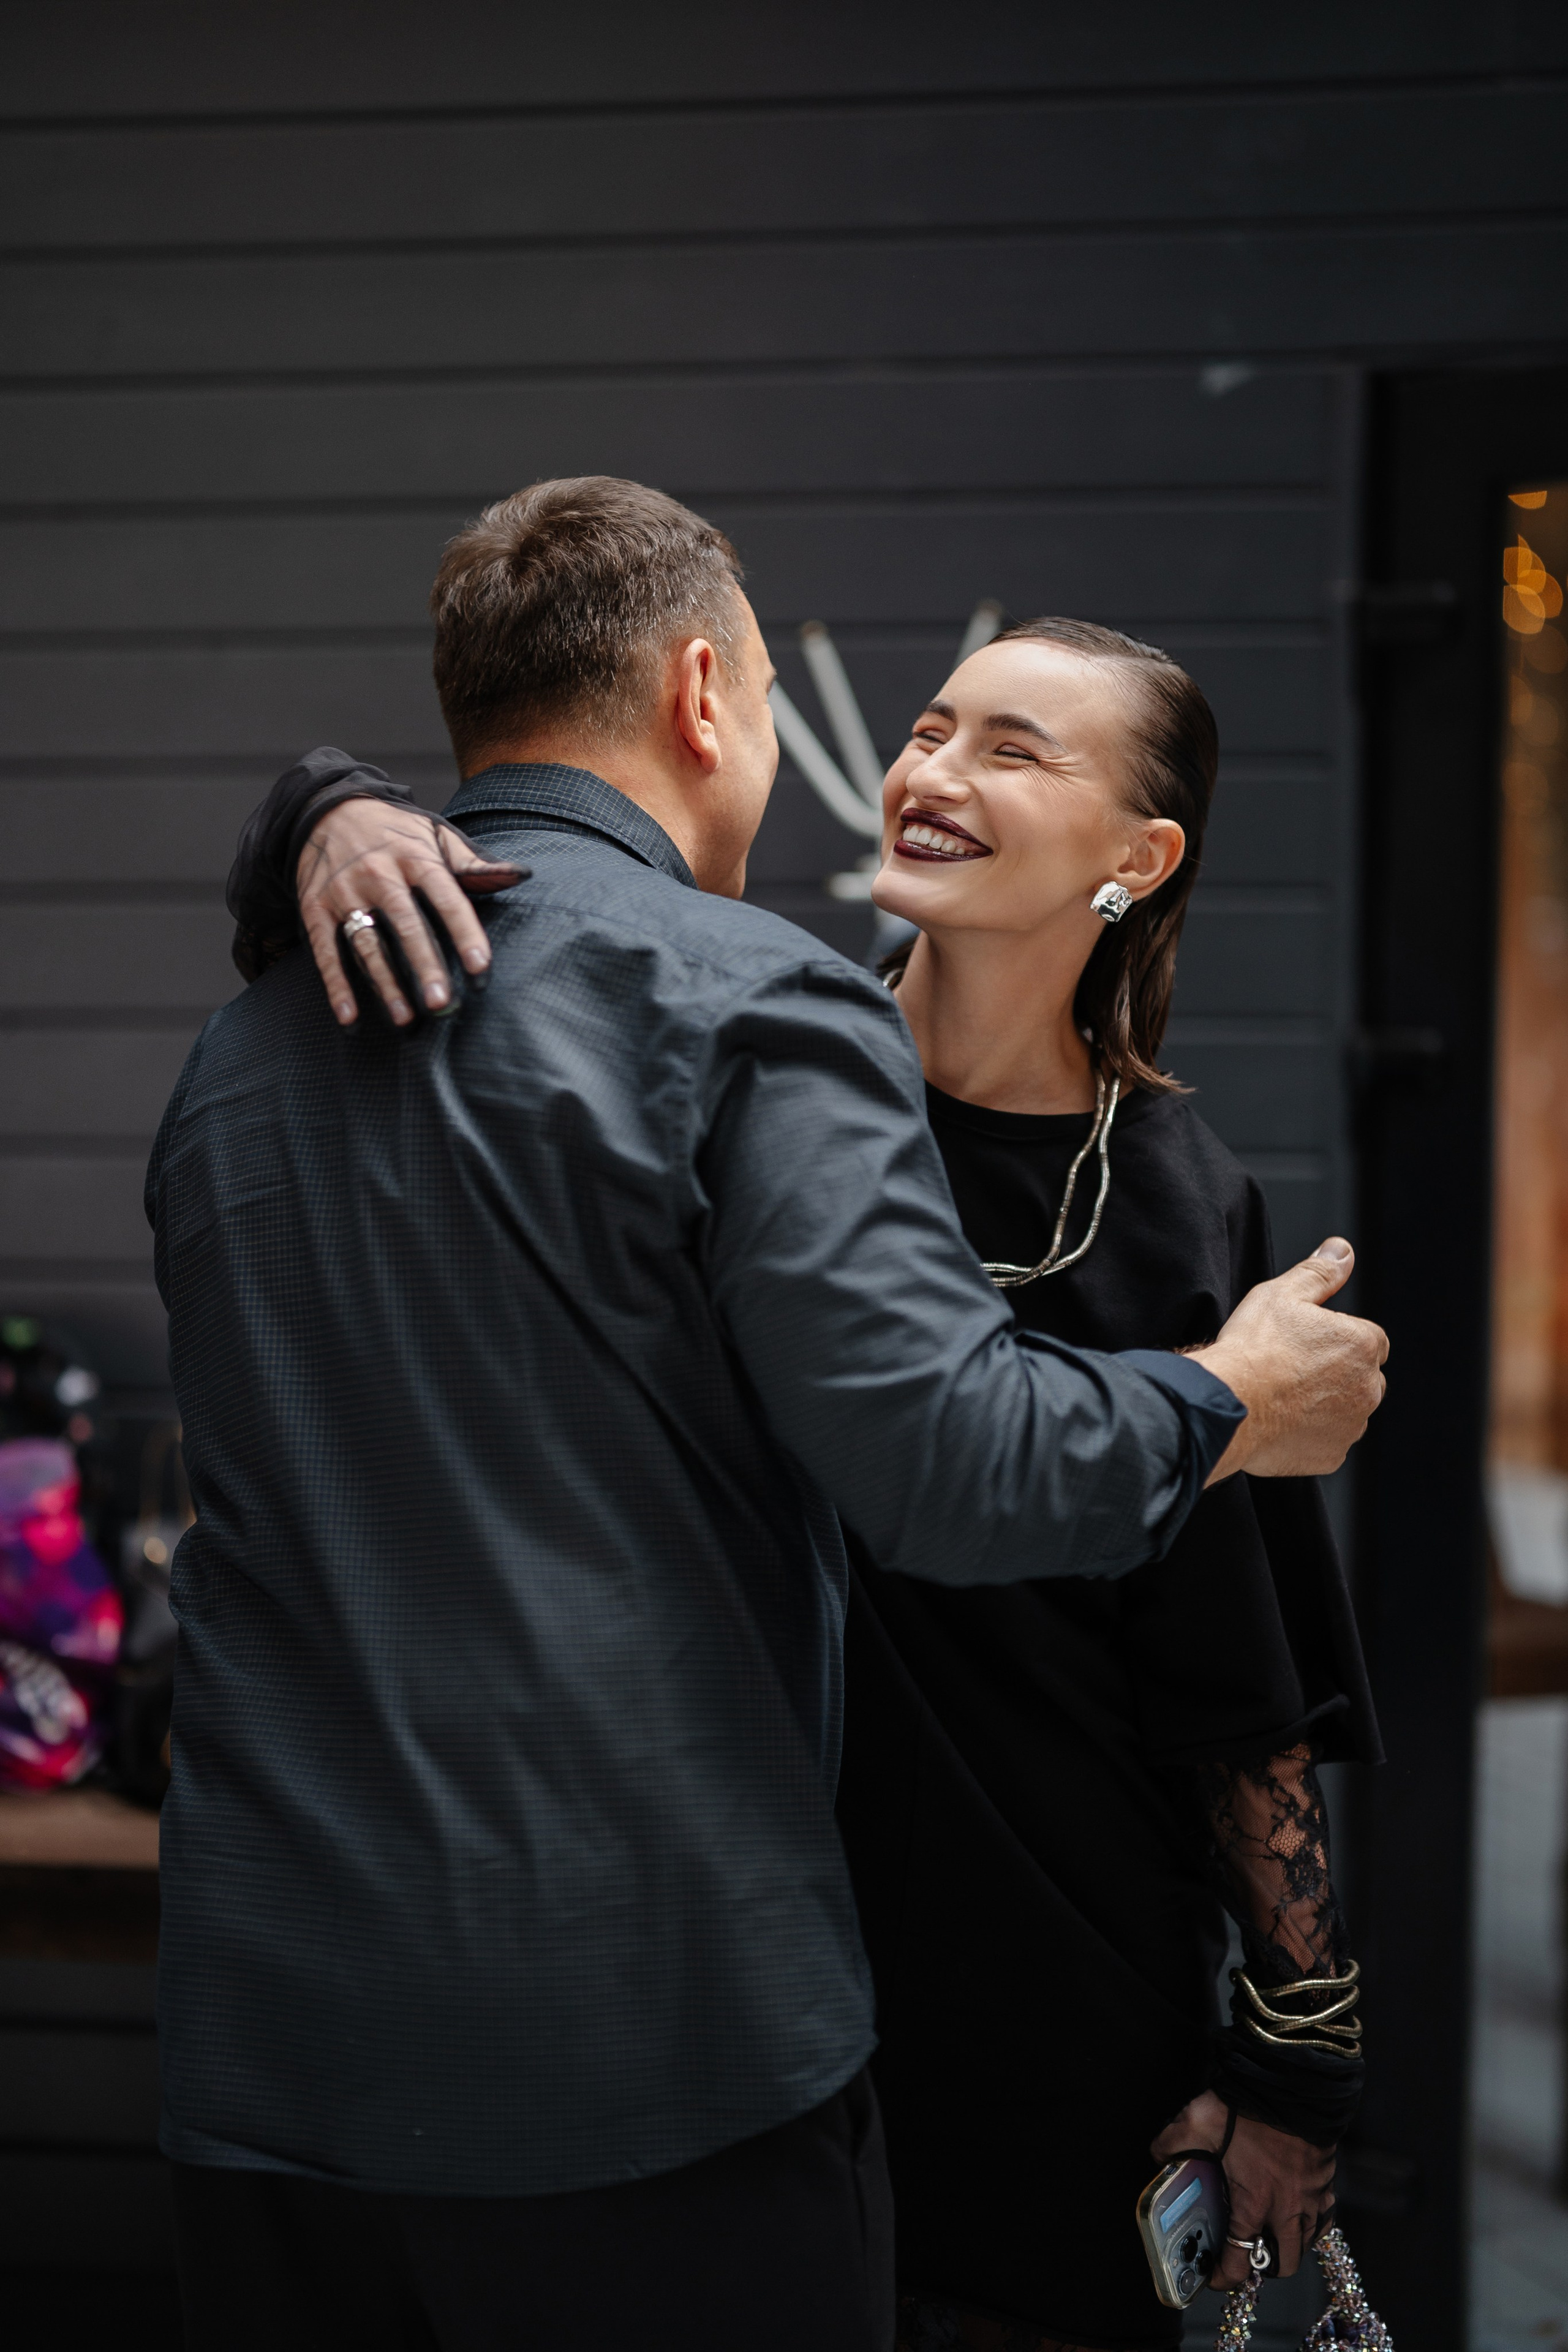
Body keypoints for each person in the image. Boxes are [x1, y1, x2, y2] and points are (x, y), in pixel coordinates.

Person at [172, 477, 1386, 2352]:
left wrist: (1299, 2053)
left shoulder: (1166, 1189)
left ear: (1136, 855)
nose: (934, 763)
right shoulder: (752, 1021)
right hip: (694, 2019)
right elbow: (951, 1464)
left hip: (999, 1979)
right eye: (927, 724)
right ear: (710, 696)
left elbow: (1245, 1682)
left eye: (1013, 743)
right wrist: (1229, 1397)